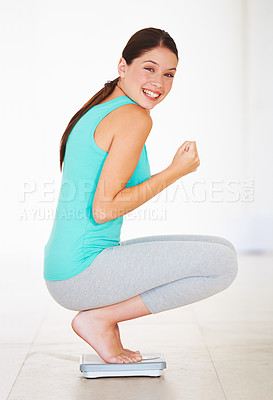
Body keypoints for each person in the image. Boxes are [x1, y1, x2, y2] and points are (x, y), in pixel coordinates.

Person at [43, 27, 238, 365]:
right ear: (123, 66)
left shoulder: (102, 108)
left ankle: (101, 317)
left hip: (68, 266)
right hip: (81, 272)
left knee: (222, 251)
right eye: (149, 68)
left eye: (169, 74)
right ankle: (100, 318)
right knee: (222, 265)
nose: (158, 83)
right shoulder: (133, 117)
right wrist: (174, 172)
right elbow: (104, 210)